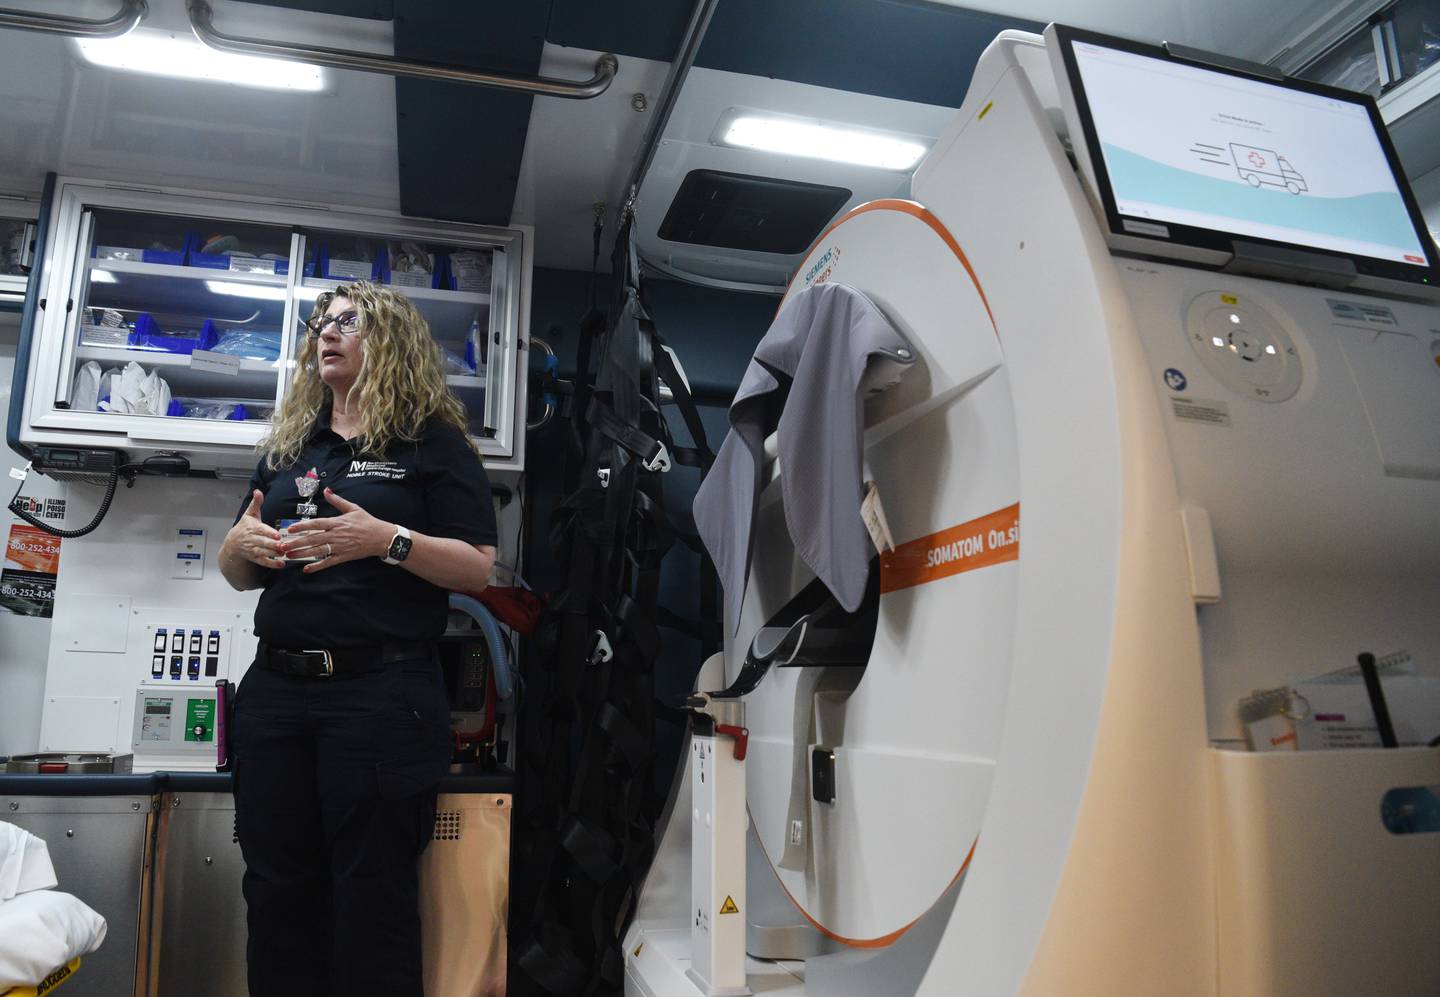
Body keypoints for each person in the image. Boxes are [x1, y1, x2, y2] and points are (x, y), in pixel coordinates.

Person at [218, 281, 497, 996]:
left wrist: (386, 539)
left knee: (370, 900)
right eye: (321, 323)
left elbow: (479, 567)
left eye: (347, 321)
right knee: (277, 892)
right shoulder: (290, 447)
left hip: (380, 695)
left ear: (391, 340)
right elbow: (237, 570)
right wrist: (240, 545)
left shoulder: (432, 443)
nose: (326, 333)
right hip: (277, 695)